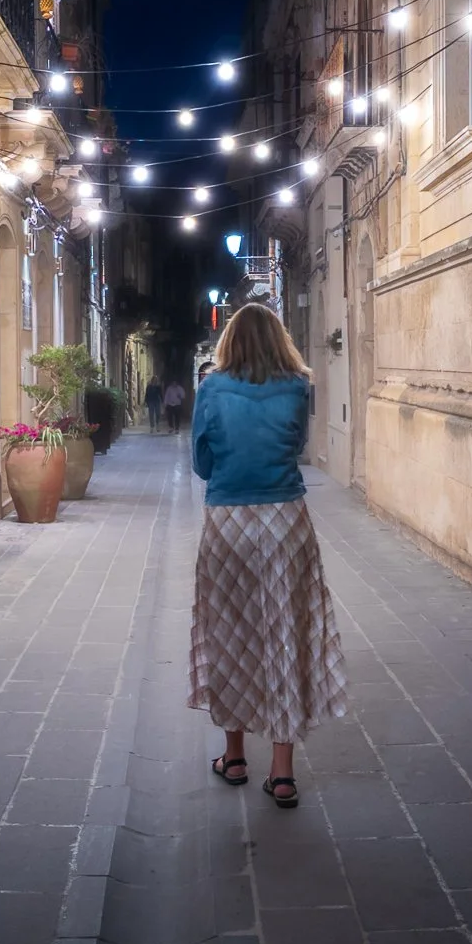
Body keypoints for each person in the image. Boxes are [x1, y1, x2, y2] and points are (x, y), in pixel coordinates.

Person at [188, 303, 345, 806]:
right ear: (281, 341)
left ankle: (233, 756)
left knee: (230, 633)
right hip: (284, 520)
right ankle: (282, 772)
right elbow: (297, 445)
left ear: (228, 342)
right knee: (285, 633)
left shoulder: (211, 387)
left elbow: (201, 463)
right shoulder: (299, 386)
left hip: (228, 521)